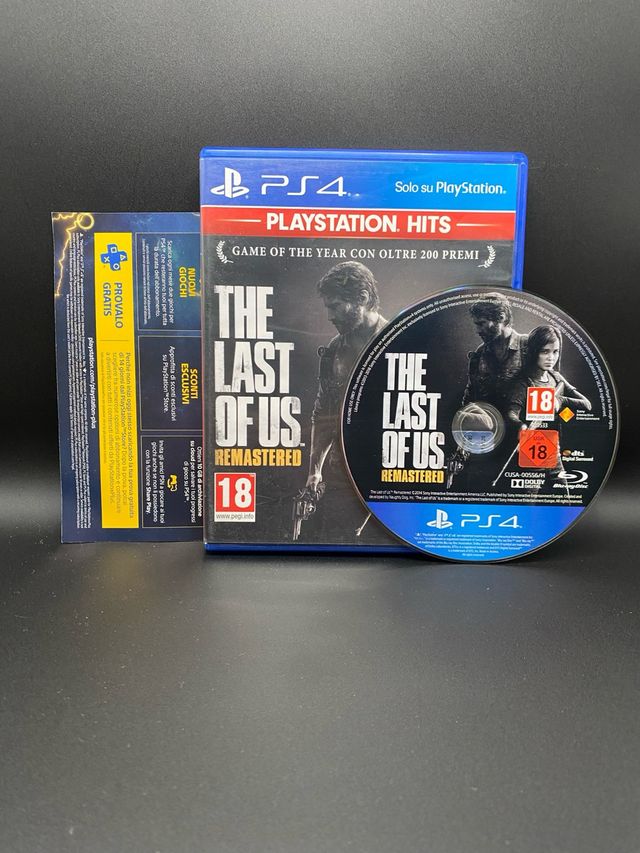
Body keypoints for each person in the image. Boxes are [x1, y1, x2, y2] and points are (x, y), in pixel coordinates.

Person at [294, 262, 388, 541]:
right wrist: (314, 472)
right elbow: (324, 413)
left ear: (362, 298)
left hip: (390, 476)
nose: (330, 316)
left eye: (335, 306)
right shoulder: (334, 350)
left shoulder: (399, 341)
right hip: (343, 475)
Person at [448, 292, 526, 491]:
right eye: (476, 324)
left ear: (501, 318)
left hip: (523, 446)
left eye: (481, 323)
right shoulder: (480, 354)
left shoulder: (529, 347)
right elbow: (470, 401)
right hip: (488, 446)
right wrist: (462, 449)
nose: (477, 330)